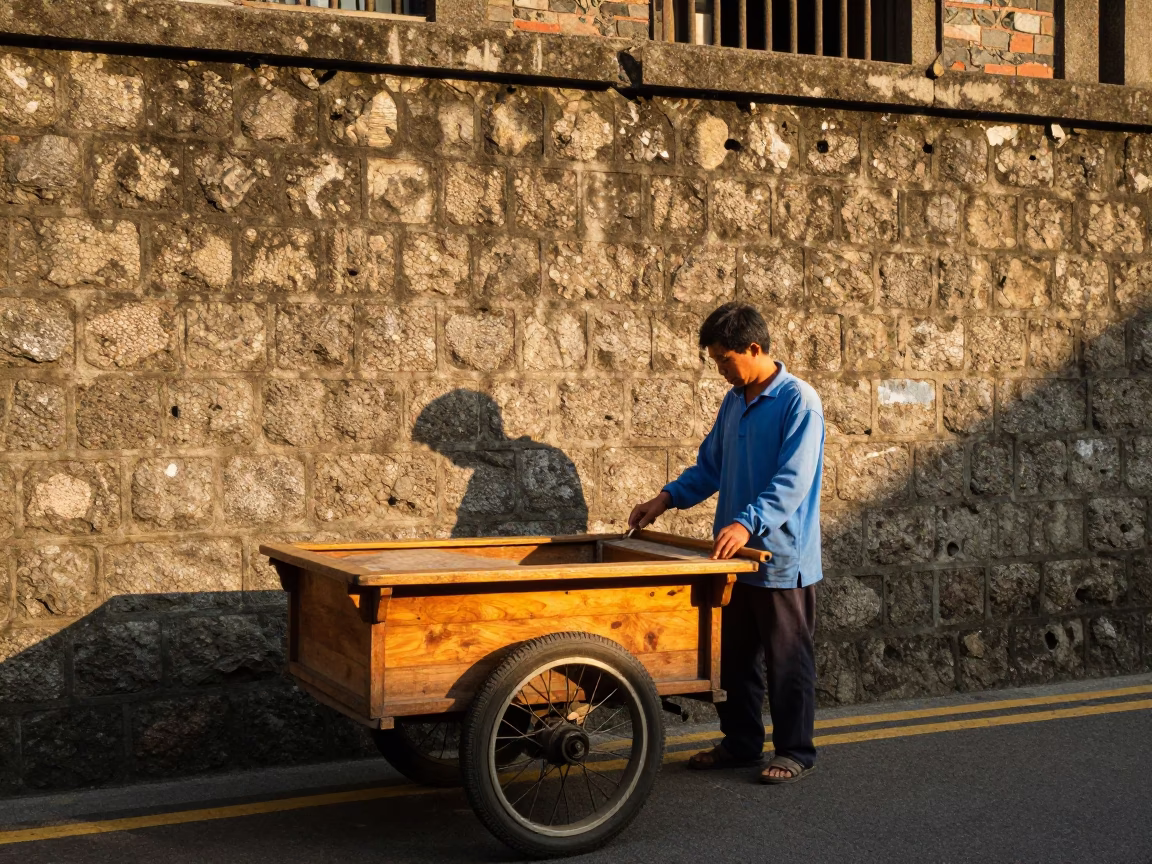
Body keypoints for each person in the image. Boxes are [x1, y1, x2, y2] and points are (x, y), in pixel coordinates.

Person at [627, 302, 825, 784]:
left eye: (724, 360)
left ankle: (795, 750)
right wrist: (666, 498)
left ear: (754, 349)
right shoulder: (734, 401)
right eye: (715, 361)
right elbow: (711, 467)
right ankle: (741, 743)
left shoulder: (800, 402)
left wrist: (747, 523)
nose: (719, 370)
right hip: (734, 560)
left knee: (787, 661)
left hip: (781, 559)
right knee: (732, 660)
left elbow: (792, 481)